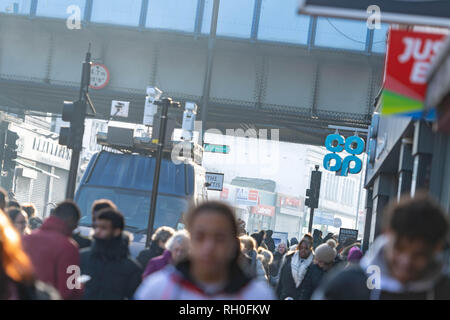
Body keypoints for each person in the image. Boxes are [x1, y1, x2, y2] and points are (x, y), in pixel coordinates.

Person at [313, 193, 450, 300]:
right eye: (399, 248)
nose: (406, 261)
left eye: (419, 254)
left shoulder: (444, 290)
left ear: (437, 248)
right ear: (386, 233)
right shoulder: (345, 285)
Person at [134, 201, 276, 299]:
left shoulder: (257, 295)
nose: (209, 247)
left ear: (233, 243)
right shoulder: (158, 289)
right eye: (200, 237)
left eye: (219, 237)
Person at [22, 201, 83, 300]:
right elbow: (69, 290)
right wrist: (80, 287)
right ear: (71, 221)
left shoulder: (25, 239)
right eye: (75, 226)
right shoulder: (69, 247)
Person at [79, 208, 142, 300]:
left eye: (103, 228)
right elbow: (69, 290)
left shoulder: (131, 269)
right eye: (96, 227)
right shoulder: (82, 257)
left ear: (117, 231)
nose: (97, 231)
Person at [0, 210, 60, 300]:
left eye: (25, 222)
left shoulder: (31, 242)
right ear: (11, 224)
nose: (24, 225)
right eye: (21, 222)